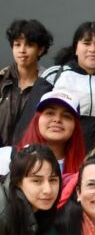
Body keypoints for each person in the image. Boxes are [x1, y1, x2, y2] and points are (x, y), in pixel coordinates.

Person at [43, 21, 95, 149]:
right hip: (63, 155)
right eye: (86, 43)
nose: (92, 49)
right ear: (76, 48)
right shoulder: (54, 75)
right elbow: (32, 119)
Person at [0, 146, 61, 235]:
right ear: (18, 181)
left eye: (53, 180)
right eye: (37, 181)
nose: (48, 189)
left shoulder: (38, 210)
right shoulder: (3, 216)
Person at [1, 91, 85, 177]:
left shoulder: (86, 168)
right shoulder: (6, 157)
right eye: (50, 113)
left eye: (66, 116)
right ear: (37, 120)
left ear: (75, 126)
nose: (57, 119)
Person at [0, 19, 53, 147]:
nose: (22, 50)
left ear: (40, 50)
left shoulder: (49, 84)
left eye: (29, 45)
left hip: (31, 157)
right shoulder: (1, 79)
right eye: (17, 45)